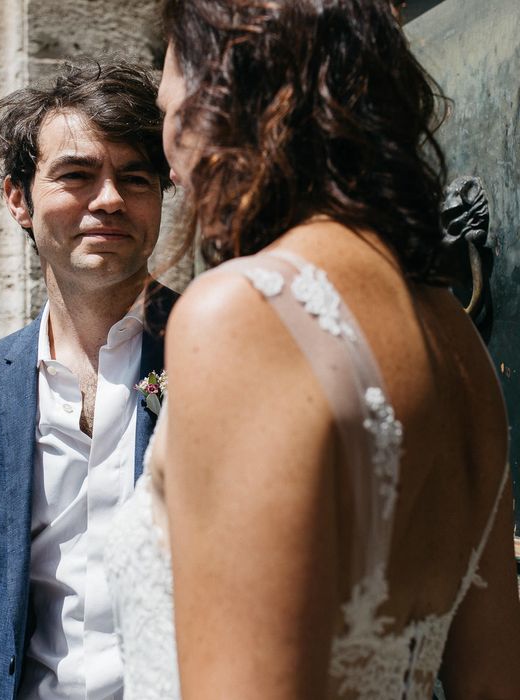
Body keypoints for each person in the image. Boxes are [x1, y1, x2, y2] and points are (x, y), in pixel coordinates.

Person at [105, 1, 520, 699]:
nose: (162, 104)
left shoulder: (245, 314)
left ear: (224, 86)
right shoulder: (455, 337)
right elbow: (496, 681)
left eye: (167, 72)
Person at [0, 60, 176, 699]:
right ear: (17, 200)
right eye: (77, 176)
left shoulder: (217, 352)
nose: (110, 198)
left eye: (135, 178)